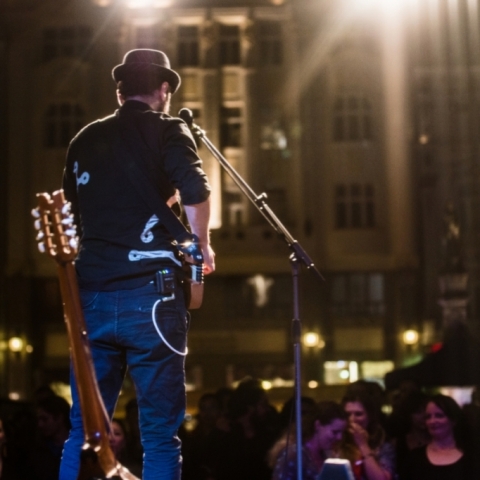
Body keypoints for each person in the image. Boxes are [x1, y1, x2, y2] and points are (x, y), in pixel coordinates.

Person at [60, 48, 215, 480]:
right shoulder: (169, 128)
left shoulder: (84, 138)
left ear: (119, 91)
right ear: (164, 90)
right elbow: (196, 191)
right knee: (160, 435)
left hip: (91, 295)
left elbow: (72, 211)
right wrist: (203, 245)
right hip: (152, 296)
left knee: (84, 430)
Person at [270, 401, 348, 480]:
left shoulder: (326, 455)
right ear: (317, 425)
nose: (340, 437)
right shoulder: (295, 454)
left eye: (342, 432)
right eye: (335, 432)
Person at [402, 394, 472, 479]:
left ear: (453, 420)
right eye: (428, 417)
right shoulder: (414, 458)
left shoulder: (472, 457)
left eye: (439, 415)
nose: (432, 421)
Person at [337, 392, 395, 480]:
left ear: (370, 417)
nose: (352, 419)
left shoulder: (383, 446)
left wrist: (363, 445)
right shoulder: (336, 441)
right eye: (347, 415)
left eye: (358, 414)